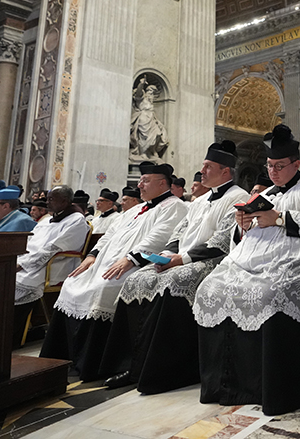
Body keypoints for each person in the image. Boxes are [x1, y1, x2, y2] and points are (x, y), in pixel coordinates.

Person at [193, 124, 300, 415]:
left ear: (296, 164)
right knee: (210, 287)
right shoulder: (267, 191)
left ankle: (268, 388)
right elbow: (243, 238)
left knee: (269, 294)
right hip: (253, 261)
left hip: (299, 261)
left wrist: (280, 218)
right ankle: (225, 385)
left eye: (279, 166)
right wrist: (242, 224)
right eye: (269, 165)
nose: (272, 172)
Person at [102, 141, 247, 393]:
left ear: (225, 171)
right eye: (203, 165)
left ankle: (165, 370)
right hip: (179, 258)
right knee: (136, 280)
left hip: (212, 262)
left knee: (173, 283)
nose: (202, 171)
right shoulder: (200, 200)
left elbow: (223, 241)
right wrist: (167, 254)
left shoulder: (239, 197)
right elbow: (179, 231)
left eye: (208, 166)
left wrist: (181, 259)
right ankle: (132, 364)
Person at [40, 161, 185, 380]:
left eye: (145, 181)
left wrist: (131, 259)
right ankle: (64, 356)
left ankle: (92, 364)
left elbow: (160, 236)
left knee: (102, 288)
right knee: (72, 283)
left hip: (138, 263)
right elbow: (109, 234)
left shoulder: (176, 206)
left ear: (162, 182)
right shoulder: (136, 209)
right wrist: (92, 256)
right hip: (104, 262)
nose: (140, 185)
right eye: (140, 181)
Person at [12, 186, 89, 342]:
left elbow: (54, 249)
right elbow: (30, 241)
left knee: (19, 284)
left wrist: (24, 264)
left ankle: (13, 336)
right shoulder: (46, 220)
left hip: (55, 265)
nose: (47, 202)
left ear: (65, 201)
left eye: (51, 199)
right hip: (29, 262)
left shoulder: (77, 221)